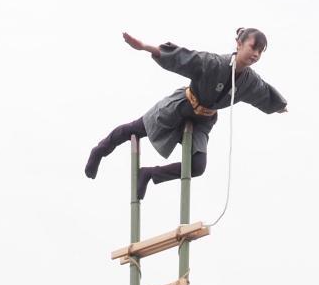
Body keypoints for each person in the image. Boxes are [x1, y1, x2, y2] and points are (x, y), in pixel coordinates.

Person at [84, 30, 287, 200]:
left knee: (198, 167)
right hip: (183, 105)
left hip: (203, 121)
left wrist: (278, 106)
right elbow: (184, 58)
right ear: (239, 44)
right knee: (135, 129)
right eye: (253, 47)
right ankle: (100, 150)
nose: (256, 54)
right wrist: (147, 47)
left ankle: (149, 174)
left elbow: (264, 92)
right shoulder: (213, 63)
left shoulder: (250, 81)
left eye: (260, 51)